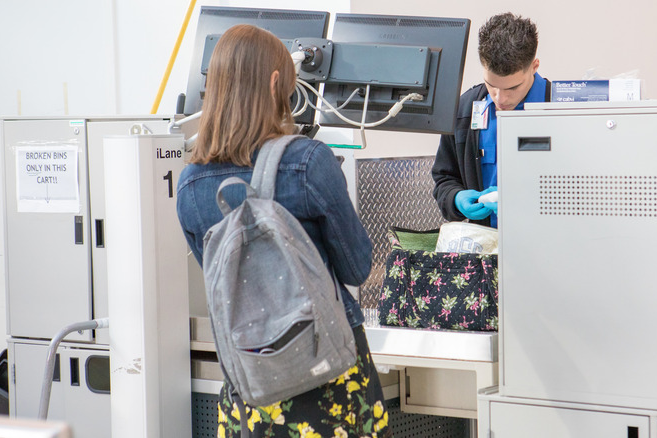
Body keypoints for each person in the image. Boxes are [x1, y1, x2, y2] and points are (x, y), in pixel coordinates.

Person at [175, 24, 392, 438]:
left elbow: (219, 274)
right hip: (328, 379)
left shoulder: (190, 186)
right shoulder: (309, 162)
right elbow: (357, 268)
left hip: (251, 386)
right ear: (277, 83)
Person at [431, 13, 550, 228]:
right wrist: (455, 199)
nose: (500, 99)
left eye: (512, 87)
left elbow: (584, 189)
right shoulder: (464, 110)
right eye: (491, 85)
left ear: (534, 66)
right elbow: (444, 178)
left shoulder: (562, 110)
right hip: (485, 247)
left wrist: (523, 202)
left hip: (548, 244)